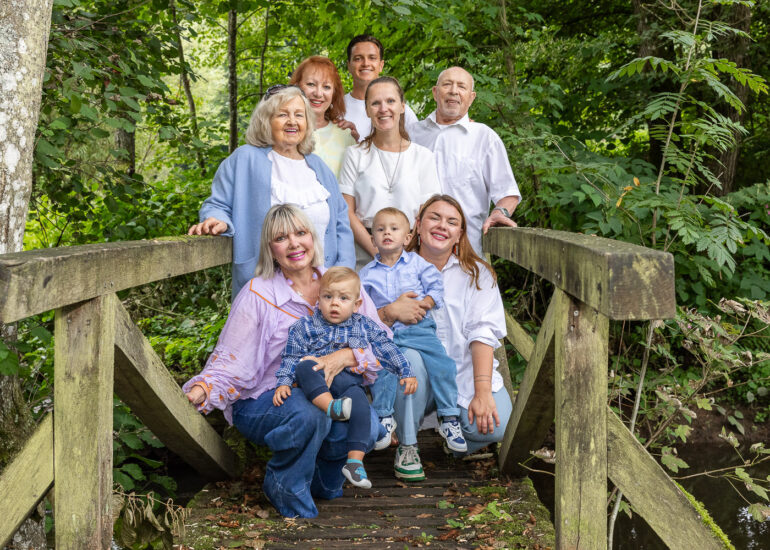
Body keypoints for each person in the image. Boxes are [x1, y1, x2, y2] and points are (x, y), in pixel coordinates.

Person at [183, 204, 384, 517]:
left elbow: (380, 343)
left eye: (301, 233)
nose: (294, 244)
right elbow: (231, 363)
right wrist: (202, 390)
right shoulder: (257, 294)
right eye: (281, 238)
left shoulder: (341, 284)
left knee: (368, 425)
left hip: (327, 391)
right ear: (269, 248)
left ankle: (322, 474)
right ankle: (284, 485)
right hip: (266, 397)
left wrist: (346, 355)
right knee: (311, 416)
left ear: (312, 238)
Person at [374, 195, 513, 481]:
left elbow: (482, 333)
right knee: (408, 357)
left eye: (452, 222)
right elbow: (359, 321)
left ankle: (450, 439)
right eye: (434, 217)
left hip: (461, 372)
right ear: (418, 225)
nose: (442, 226)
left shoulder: (477, 274)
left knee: (493, 425)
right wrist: (388, 311)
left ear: (460, 234)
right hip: (413, 376)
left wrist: (483, 391)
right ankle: (407, 445)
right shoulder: (390, 268)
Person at [188, 85, 355, 299]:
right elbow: (217, 205)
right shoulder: (245, 159)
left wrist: (342, 274)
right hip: (266, 290)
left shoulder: (319, 167)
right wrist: (217, 220)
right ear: (266, 120)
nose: (292, 121)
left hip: (322, 290)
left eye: (299, 115)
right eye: (282, 114)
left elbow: (341, 222)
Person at [274, 267, 417, 489]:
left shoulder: (363, 325)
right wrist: (283, 382)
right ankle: (331, 407)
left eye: (343, 298)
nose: (334, 303)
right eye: (328, 296)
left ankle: (354, 462)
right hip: (317, 384)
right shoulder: (304, 326)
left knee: (360, 403)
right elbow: (290, 356)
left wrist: (405, 372)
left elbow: (385, 347)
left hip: (348, 382)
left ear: (356, 304)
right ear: (318, 298)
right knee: (305, 365)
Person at [359, 207, 466, 456]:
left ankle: (449, 417)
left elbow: (436, 288)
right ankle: (385, 418)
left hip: (418, 328)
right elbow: (362, 310)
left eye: (394, 229)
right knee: (382, 369)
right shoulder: (365, 275)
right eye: (380, 229)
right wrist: (386, 313)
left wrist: (425, 304)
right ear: (372, 238)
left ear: (407, 237)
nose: (387, 233)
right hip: (385, 334)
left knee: (443, 364)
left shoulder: (418, 264)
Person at [409, 67, 521, 255]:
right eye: (447, 84)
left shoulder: (484, 137)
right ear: (435, 93)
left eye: (461, 86)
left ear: (471, 97)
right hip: (414, 250)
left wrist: (499, 213)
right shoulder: (412, 134)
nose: (454, 90)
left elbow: (507, 193)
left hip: (466, 251)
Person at [338, 76, 440, 269]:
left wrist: (402, 254)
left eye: (390, 101)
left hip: (410, 252)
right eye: (375, 103)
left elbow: (426, 213)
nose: (383, 109)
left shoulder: (423, 156)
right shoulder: (354, 154)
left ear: (402, 106)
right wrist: (377, 251)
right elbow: (346, 211)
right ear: (367, 110)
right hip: (364, 252)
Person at [289, 56, 356, 177]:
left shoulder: (345, 135)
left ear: (334, 93)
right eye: (311, 84)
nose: (318, 93)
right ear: (297, 87)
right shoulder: (285, 131)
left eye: (326, 87)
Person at [344, 34, 418, 141]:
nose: (365, 63)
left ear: (381, 65)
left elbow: (416, 150)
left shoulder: (401, 111)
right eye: (358, 58)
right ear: (349, 66)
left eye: (372, 58)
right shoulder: (336, 108)